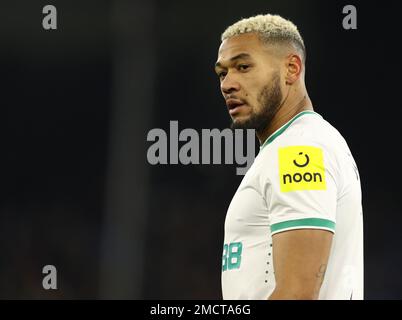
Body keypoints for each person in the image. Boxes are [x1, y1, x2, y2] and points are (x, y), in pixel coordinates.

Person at [215, 14, 363, 300]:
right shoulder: (295, 143)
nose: (227, 84)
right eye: (223, 73)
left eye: (243, 67)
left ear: (292, 69)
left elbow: (297, 294)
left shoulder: (298, 150)